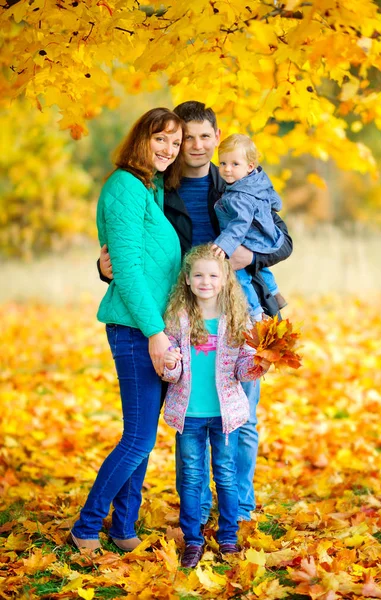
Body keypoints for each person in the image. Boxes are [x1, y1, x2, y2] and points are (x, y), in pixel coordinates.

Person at [98, 101, 293, 525]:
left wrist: (250, 257)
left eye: (206, 137)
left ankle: (236, 510)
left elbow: (283, 241)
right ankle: (196, 511)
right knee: (190, 410)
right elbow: (137, 252)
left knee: (241, 415)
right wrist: (102, 267)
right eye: (186, 138)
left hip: (238, 306)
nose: (195, 145)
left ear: (217, 138)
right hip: (184, 312)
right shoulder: (158, 188)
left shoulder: (232, 180)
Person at [69, 108, 183, 551]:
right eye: (162, 139)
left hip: (152, 327)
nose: (169, 150)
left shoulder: (148, 189)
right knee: (138, 437)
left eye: (174, 144)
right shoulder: (124, 187)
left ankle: (123, 528)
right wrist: (156, 334)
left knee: (143, 437)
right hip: (136, 329)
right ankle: (86, 526)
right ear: (142, 137)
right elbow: (129, 272)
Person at [162, 245, 270, 567]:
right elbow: (173, 371)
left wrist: (258, 366)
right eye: (198, 275)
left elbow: (241, 370)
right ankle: (193, 540)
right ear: (187, 280)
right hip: (190, 415)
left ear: (224, 279)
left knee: (225, 475)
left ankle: (227, 537)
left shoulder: (235, 320)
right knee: (191, 478)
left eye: (212, 275)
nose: (205, 281)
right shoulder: (177, 319)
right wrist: (169, 363)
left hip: (225, 417)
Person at [213, 133, 287, 321]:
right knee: (260, 268)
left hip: (249, 239)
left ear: (250, 166)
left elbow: (240, 223)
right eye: (222, 163)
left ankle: (255, 312)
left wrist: (224, 244)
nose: (227, 170)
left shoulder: (239, 196)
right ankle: (275, 292)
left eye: (234, 164)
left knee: (240, 274)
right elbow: (275, 201)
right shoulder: (258, 182)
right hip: (266, 237)